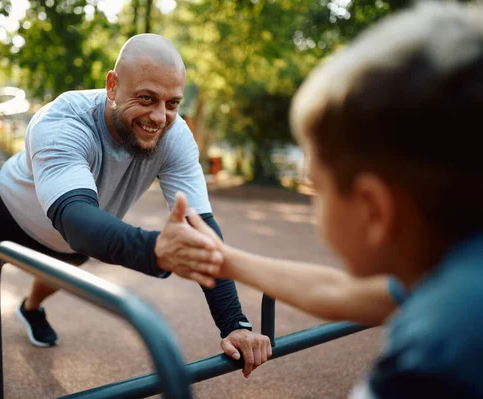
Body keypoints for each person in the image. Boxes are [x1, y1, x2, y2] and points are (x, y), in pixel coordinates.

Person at [0, 34, 271, 378]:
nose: (159, 116)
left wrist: (234, 323)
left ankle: (30, 309)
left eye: (172, 103)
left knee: (54, 277)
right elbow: (75, 219)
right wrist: (154, 250)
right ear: (112, 86)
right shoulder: (63, 121)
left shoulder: (173, 135)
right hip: (15, 209)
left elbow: (202, 228)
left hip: (85, 229)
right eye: (146, 98)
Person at [188, 2, 483, 397]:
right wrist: (222, 259)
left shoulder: (435, 356)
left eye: (318, 189)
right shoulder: (451, 269)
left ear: (374, 209)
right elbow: (338, 292)